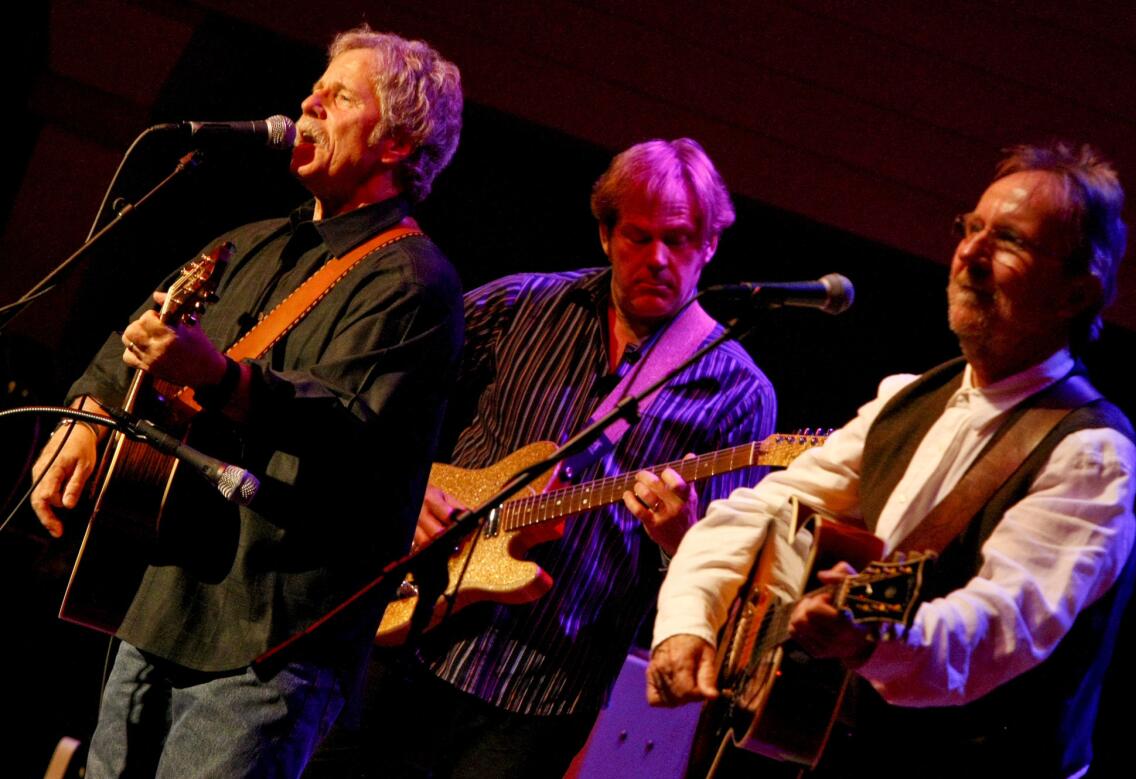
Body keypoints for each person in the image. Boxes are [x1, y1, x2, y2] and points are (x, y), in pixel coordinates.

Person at [29, 26, 464, 779]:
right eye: (314, 91)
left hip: (273, 636)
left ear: (397, 141)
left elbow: (348, 425)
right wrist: (91, 413)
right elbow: (133, 335)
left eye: (339, 97)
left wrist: (222, 378)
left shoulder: (413, 282)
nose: (308, 104)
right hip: (164, 594)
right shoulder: (251, 241)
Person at [648, 142, 1136, 778]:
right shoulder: (910, 399)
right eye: (971, 228)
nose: (970, 254)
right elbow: (761, 508)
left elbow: (999, 624)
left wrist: (870, 634)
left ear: (1077, 293)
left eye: (1010, 240)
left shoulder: (1089, 454)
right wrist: (689, 618)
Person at [310, 138, 777, 778]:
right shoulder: (523, 306)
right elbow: (386, 401)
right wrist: (411, 491)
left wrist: (681, 539)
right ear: (606, 235)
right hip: (404, 632)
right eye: (638, 237)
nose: (658, 259)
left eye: (679, 238)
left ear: (710, 244)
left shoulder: (740, 395)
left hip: (539, 690)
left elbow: (727, 583)